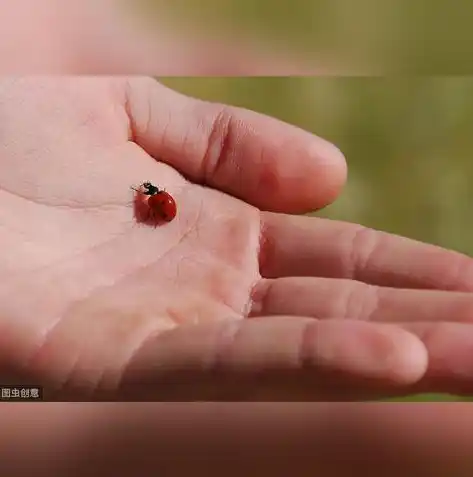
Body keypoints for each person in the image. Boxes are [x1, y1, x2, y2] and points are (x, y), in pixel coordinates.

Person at [1, 76, 473, 474]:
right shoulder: (156, 199)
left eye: (147, 195)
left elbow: (156, 205)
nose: (148, 197)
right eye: (149, 195)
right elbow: (157, 205)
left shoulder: (154, 198)